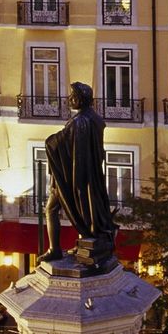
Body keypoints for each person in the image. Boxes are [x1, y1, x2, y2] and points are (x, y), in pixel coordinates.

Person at [43, 81, 117, 266]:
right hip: (90, 177)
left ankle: (54, 250)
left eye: (72, 96)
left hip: (70, 177)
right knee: (85, 208)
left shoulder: (78, 122)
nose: (69, 100)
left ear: (79, 99)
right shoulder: (96, 119)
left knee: (51, 209)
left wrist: (50, 141)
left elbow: (58, 143)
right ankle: (84, 239)